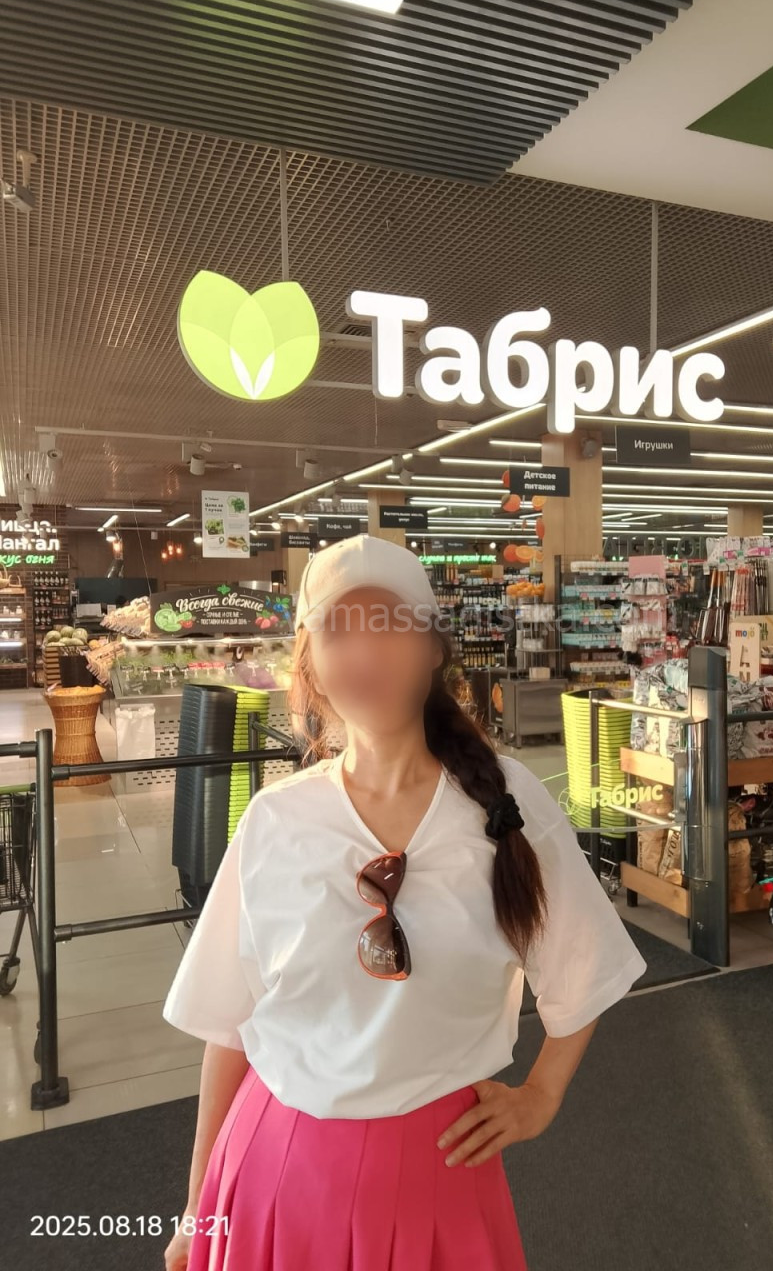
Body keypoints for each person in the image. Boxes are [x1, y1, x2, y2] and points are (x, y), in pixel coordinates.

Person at [162, 534, 645, 1270]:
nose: (365, 652)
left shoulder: (505, 805)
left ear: (431, 649)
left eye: (388, 625)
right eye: (337, 630)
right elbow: (231, 1025)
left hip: (438, 1171)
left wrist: (541, 1095)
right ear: (310, 666)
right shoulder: (276, 819)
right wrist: (198, 1209)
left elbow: (588, 965)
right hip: (273, 1166)